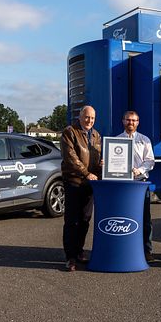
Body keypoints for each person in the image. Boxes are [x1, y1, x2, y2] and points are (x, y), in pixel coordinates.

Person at [60, 105, 102, 272]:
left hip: (89, 184)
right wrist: (86, 173)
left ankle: (79, 251)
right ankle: (70, 257)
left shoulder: (96, 135)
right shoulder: (70, 132)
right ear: (80, 116)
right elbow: (71, 158)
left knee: (85, 219)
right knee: (72, 221)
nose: (89, 121)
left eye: (92, 118)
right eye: (86, 117)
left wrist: (102, 166)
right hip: (74, 181)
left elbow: (97, 158)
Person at [116, 111, 155, 262]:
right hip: (123, 184)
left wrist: (139, 170)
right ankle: (125, 249)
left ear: (138, 122)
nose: (130, 123)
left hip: (140, 183)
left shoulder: (144, 140)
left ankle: (147, 250)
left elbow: (150, 161)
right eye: (128, 120)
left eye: (134, 120)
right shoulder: (116, 140)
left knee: (145, 219)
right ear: (123, 121)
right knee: (125, 218)